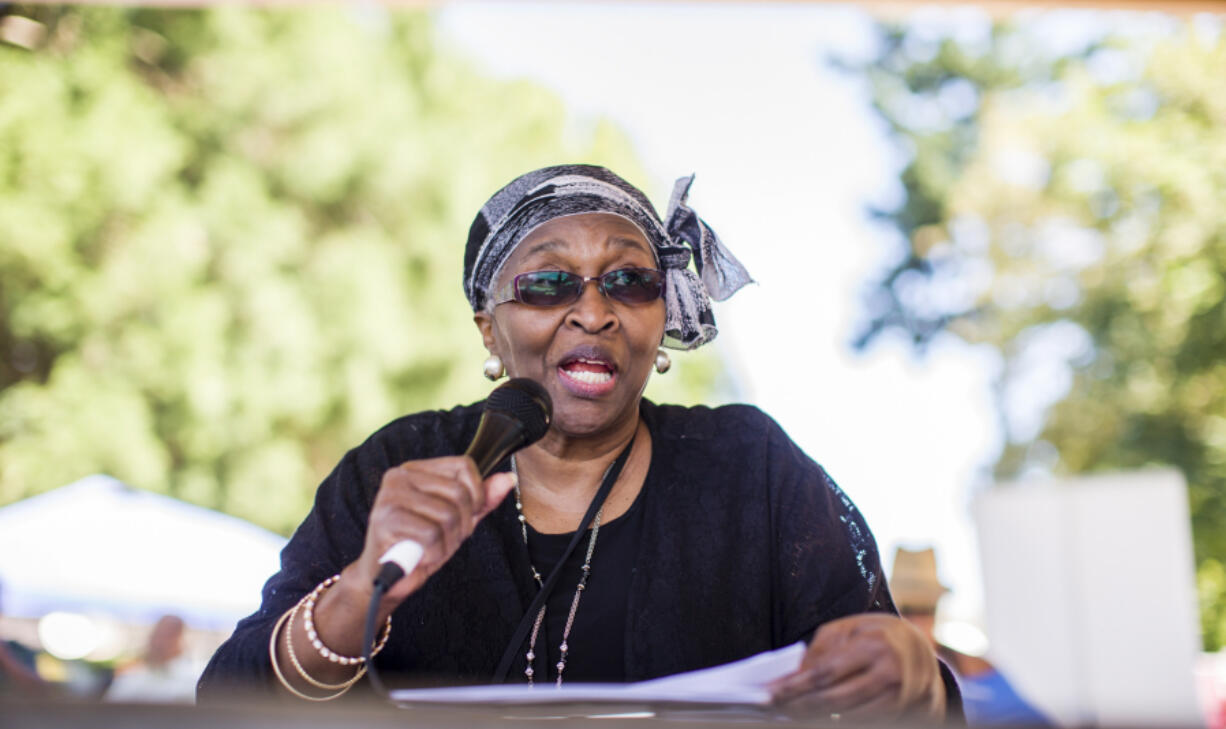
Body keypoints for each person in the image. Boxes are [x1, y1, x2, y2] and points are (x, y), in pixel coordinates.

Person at [198, 164, 960, 720]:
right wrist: (364, 588)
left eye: (629, 281)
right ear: (489, 330)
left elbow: (908, 690)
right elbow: (229, 699)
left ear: (661, 326)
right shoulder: (399, 463)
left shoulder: (749, 467)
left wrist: (910, 678)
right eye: (547, 284)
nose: (593, 310)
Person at [890, 547, 1047, 725]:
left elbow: (1032, 720)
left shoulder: (973, 667)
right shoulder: (878, 670)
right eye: (908, 610)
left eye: (926, 610)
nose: (918, 621)